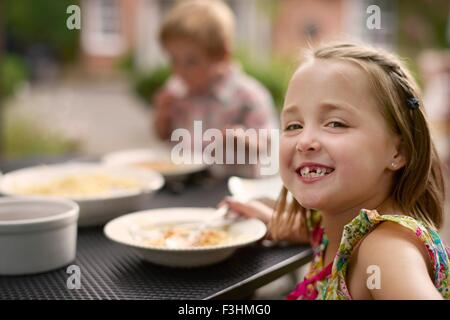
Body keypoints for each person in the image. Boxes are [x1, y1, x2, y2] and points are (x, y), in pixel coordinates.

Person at [222, 42, 450, 300]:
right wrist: (275, 222)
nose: (304, 141)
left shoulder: (385, 251)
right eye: (294, 125)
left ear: (399, 152)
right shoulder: (335, 223)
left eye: (335, 123)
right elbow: (311, 229)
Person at [153, 0, 278, 178]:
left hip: (231, 186)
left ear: (222, 57)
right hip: (187, 185)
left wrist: (242, 138)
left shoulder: (249, 96)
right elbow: (163, 135)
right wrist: (162, 114)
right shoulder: (178, 92)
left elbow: (267, 145)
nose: (179, 70)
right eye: (173, 59)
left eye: (191, 62)